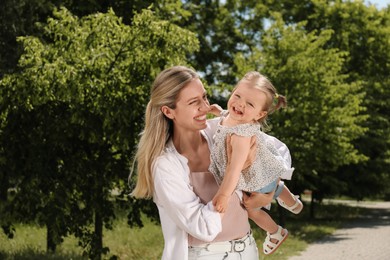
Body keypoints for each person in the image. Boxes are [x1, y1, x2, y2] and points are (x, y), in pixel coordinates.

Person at [130, 66, 276, 260]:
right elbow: (203, 227)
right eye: (193, 102)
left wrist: (268, 194)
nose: (205, 107)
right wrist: (231, 179)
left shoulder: (222, 131)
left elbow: (274, 153)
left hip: (247, 250)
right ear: (168, 111)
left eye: (204, 97)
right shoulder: (165, 165)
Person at [208, 71, 303, 255]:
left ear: (260, 114)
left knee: (250, 209)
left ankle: (276, 232)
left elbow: (234, 170)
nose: (240, 104)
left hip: (256, 180)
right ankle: (294, 204)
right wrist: (217, 111)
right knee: (275, 185)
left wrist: (224, 195)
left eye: (249, 104)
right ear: (233, 91)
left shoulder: (241, 137)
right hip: (265, 171)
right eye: (237, 95)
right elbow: (227, 115)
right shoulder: (234, 116)